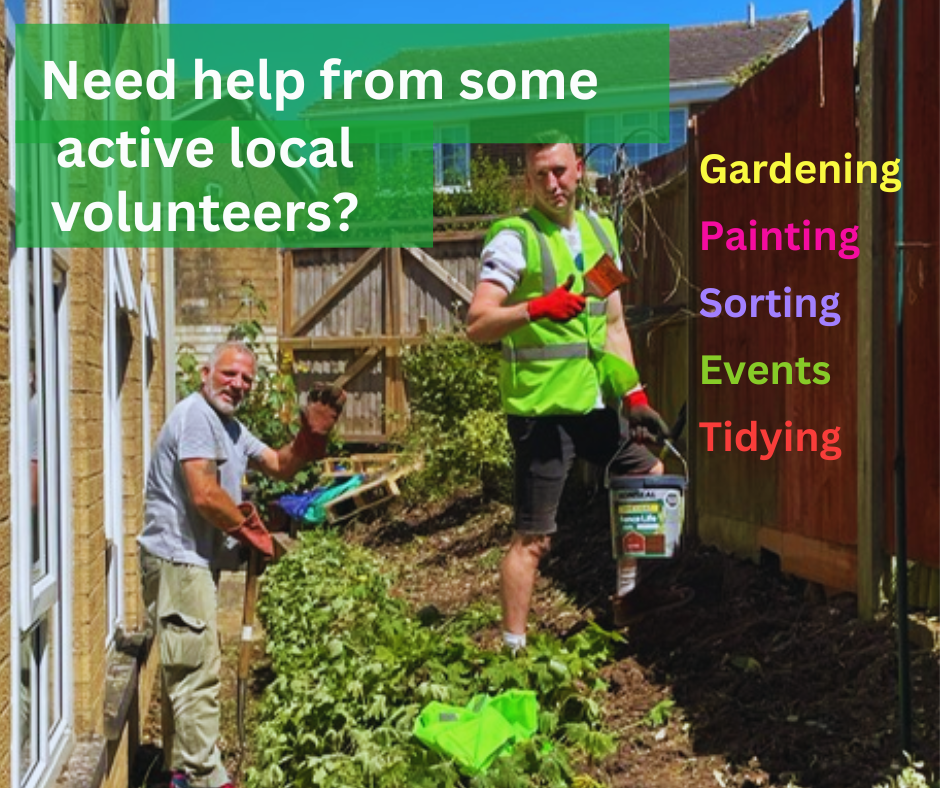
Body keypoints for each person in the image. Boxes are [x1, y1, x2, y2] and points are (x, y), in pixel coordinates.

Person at [466, 137, 687, 652]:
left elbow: (612, 324)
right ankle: (513, 650)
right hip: (541, 413)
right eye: (541, 174)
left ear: (580, 170)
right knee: (534, 539)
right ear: (527, 180)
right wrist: (536, 309)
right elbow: (477, 324)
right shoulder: (513, 239)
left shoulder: (600, 232)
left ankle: (630, 596)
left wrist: (633, 395)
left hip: (590, 403)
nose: (553, 184)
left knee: (648, 475)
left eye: (561, 171)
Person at [138, 340, 345, 788]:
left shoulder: (229, 427)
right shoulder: (196, 416)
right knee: (197, 676)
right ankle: (207, 778)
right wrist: (250, 531)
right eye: (230, 374)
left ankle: (180, 773)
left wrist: (310, 438)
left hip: (191, 562)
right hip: (178, 561)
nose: (238, 384)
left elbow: (279, 464)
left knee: (187, 676)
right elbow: (204, 494)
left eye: (247, 379)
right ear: (206, 373)